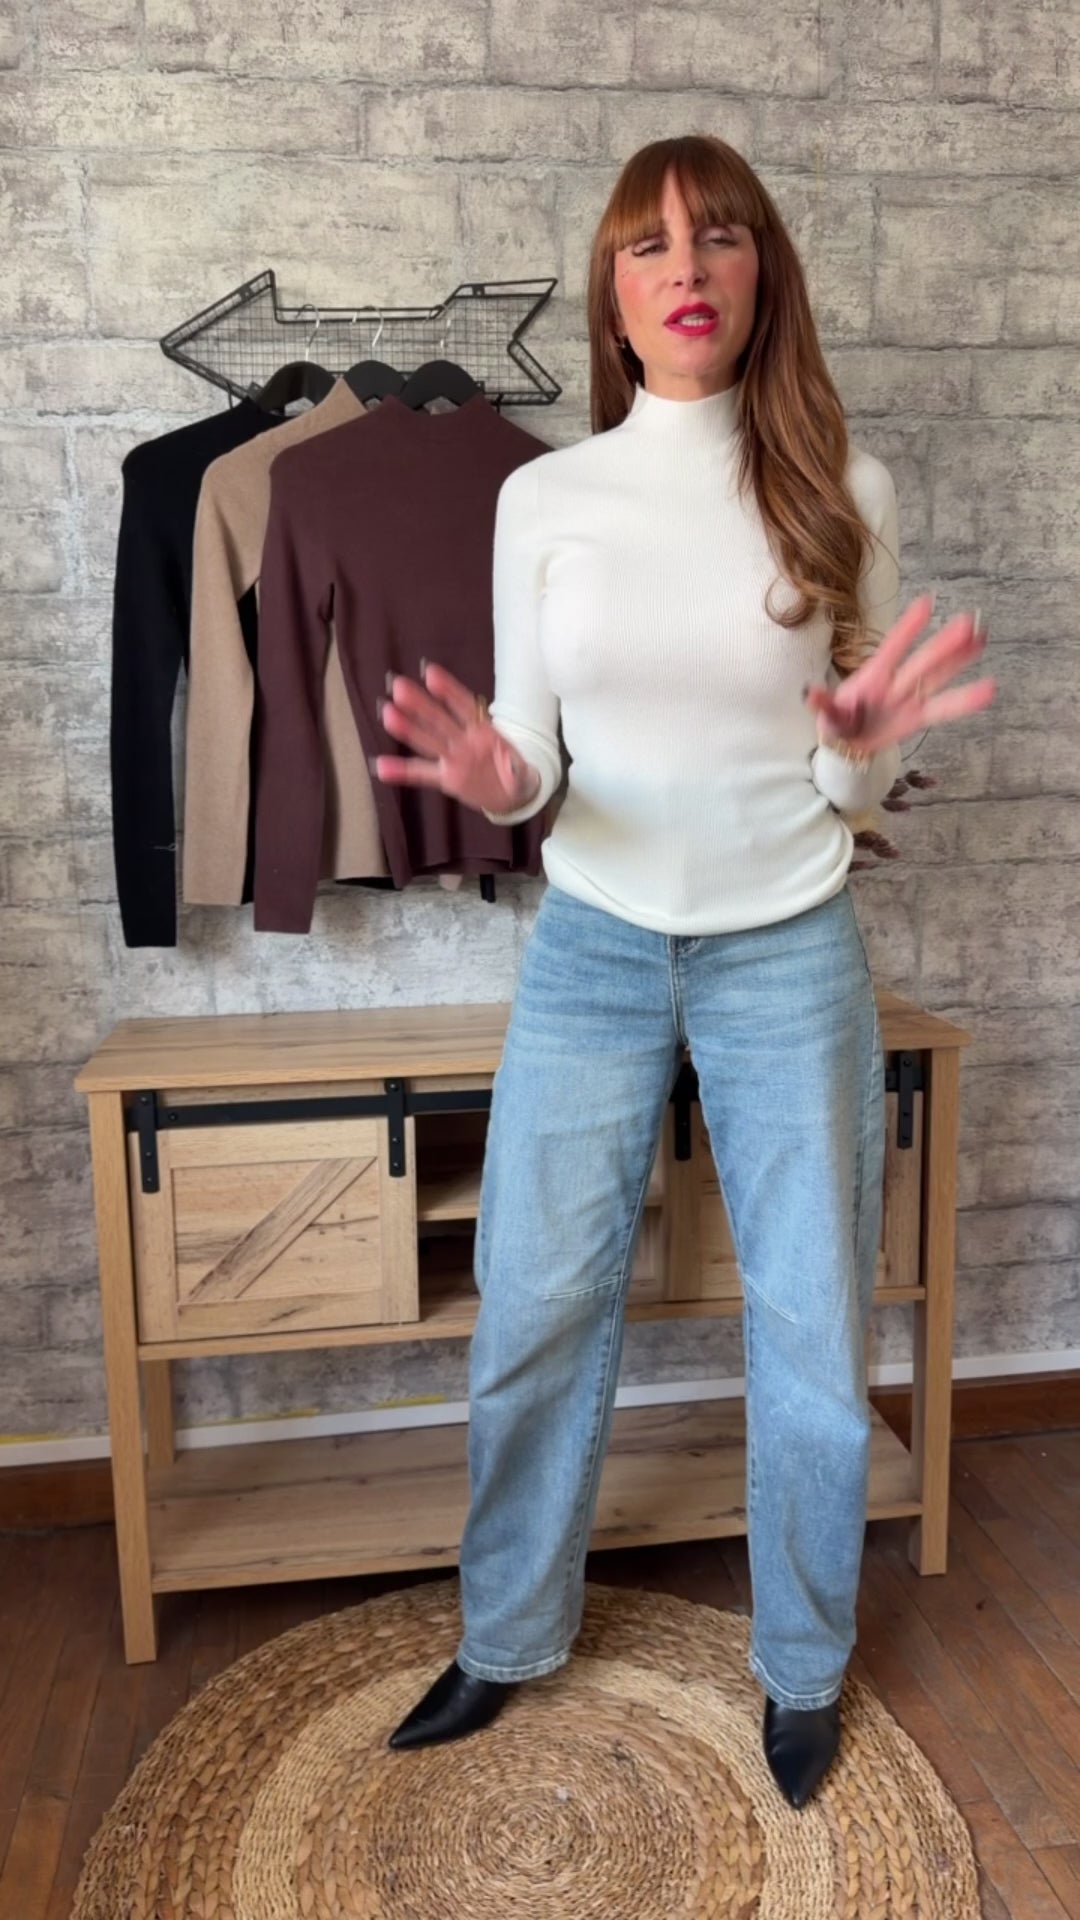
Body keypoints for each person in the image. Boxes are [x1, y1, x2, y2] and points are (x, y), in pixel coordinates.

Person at [368, 134, 996, 1810]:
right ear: (615, 298)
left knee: (811, 1324)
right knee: (535, 1301)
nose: (686, 267)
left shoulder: (842, 490)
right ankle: (507, 1635)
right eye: (648, 246)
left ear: (761, 272)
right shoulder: (546, 500)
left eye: (717, 235)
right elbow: (533, 755)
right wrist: (499, 779)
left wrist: (859, 744)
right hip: (591, 947)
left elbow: (848, 783)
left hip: (787, 950)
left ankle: (802, 1667)